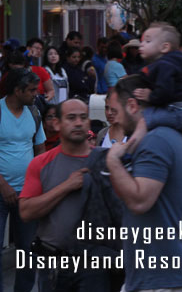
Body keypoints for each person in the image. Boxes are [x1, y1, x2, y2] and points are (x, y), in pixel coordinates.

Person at [105, 75, 182, 292]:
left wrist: (112, 161)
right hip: (169, 277)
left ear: (132, 105)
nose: (115, 120)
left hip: (162, 281)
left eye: (116, 111)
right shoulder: (181, 137)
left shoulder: (156, 141)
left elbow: (140, 201)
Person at [18, 98, 104, 292]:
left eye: (83, 117)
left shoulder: (105, 161)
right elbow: (25, 211)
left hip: (96, 266)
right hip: (54, 264)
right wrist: (67, 186)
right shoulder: (41, 163)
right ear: (56, 123)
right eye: (71, 117)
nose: (78, 123)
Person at [0, 68, 45, 292]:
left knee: (27, 249)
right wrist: (4, 185)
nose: (35, 94)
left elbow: (40, 148)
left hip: (27, 193)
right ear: (17, 91)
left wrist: (38, 184)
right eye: (31, 90)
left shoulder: (34, 112)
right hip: (1, 191)